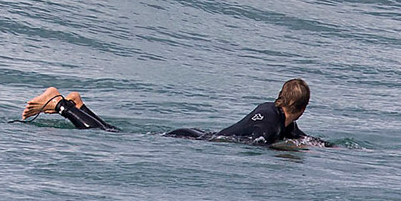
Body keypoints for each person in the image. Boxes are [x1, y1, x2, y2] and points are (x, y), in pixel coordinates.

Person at [20, 78, 329, 147]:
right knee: (111, 138)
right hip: (192, 139)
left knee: (114, 135)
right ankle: (60, 104)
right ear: (302, 108)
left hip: (199, 135)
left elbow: (300, 138)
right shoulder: (274, 123)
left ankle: (78, 104)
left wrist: (327, 148)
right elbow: (261, 143)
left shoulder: (276, 115)